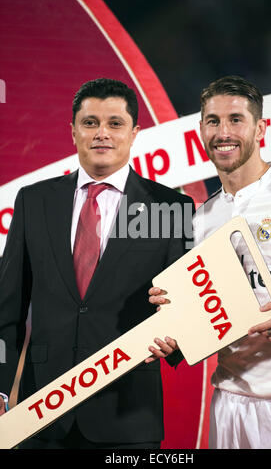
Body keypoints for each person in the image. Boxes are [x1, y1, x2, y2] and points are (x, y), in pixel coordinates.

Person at [0, 78, 194, 449]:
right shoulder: (33, 201)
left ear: (135, 132)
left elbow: (184, 314)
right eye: (90, 123)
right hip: (41, 418)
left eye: (115, 123)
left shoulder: (172, 208)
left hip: (128, 419)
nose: (102, 133)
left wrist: (178, 338)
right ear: (72, 132)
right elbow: (7, 309)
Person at [149, 75, 271, 449]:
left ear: (261, 129)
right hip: (230, 401)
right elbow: (209, 314)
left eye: (236, 119)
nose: (223, 132)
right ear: (201, 130)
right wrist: (173, 326)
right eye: (213, 121)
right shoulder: (202, 220)